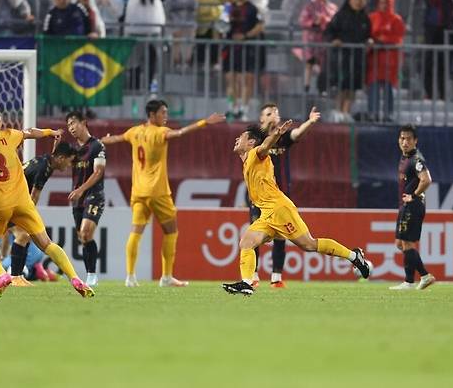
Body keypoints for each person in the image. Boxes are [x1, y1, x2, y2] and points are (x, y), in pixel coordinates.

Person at [0, 105, 93, 298]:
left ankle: (2, 275)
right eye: (0, 119)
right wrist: (51, 132)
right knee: (47, 243)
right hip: (22, 202)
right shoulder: (8, 135)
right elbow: (30, 132)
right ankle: (75, 278)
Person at [222, 122, 372, 295]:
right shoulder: (249, 161)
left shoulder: (256, 154)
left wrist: (277, 134)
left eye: (241, 137)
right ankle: (247, 283)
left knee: (309, 244)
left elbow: (265, 146)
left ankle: (354, 256)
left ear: (250, 143)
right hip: (267, 214)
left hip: (279, 209)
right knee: (246, 242)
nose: (236, 139)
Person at [101, 100, 225, 287]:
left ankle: (130, 277)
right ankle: (166, 277)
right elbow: (181, 133)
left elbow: (115, 139)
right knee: (171, 231)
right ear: (152, 115)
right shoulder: (159, 133)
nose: (166, 116)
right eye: (162, 113)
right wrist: (204, 122)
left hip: (139, 192)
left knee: (135, 231)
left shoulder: (134, 132)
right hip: (158, 192)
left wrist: (104, 140)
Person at [249, 104, 320, 288]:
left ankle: (276, 278)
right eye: (270, 113)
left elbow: (297, 134)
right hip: (261, 197)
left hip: (280, 197)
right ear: (262, 119)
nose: (275, 115)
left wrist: (310, 122)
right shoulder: (256, 140)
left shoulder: (282, 138)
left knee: (281, 236)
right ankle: (253, 275)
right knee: (255, 236)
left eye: (277, 112)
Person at [4, 141, 78, 287]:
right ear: (61, 158)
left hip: (10, 198)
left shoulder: (46, 161)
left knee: (24, 235)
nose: (68, 166)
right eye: (69, 162)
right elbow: (34, 195)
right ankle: (14, 276)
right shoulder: (44, 168)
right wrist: (29, 216)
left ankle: (17, 276)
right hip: (8, 200)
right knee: (23, 235)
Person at [389, 124, 435, 291]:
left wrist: (414, 195)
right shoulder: (405, 158)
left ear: (415, 141)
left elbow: (426, 179)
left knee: (406, 244)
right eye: (402, 138)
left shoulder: (416, 159)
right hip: (405, 206)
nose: (405, 142)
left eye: (408, 139)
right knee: (400, 244)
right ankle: (415, 279)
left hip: (412, 206)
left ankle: (419, 277)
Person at [66, 110, 106, 287]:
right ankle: (90, 272)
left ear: (84, 122)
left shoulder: (97, 146)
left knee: (85, 232)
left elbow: (98, 172)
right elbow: (58, 164)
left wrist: (81, 189)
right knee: (83, 238)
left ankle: (92, 275)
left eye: (73, 123)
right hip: (78, 199)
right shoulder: (73, 150)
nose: (71, 127)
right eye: (68, 125)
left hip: (94, 196)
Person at [325, 0, 371, 121]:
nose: (358, 2)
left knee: (353, 86)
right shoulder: (341, 15)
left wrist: (369, 40)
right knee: (342, 86)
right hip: (342, 57)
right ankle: (338, 112)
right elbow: (329, 31)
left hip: (358, 58)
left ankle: (346, 112)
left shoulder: (365, 18)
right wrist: (334, 40)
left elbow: (367, 35)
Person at [223, 0, 264, 121]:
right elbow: (221, 24)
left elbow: (260, 26)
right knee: (230, 79)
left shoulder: (253, 8)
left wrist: (245, 36)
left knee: (245, 79)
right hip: (230, 48)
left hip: (246, 48)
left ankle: (243, 108)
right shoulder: (228, 7)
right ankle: (232, 107)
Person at [366, 0, 405, 123]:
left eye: (386, 3)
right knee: (373, 88)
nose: (383, 5)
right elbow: (368, 34)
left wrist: (382, 40)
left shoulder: (396, 19)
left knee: (389, 89)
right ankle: (373, 113)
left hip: (390, 61)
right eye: (381, 2)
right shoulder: (372, 17)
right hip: (374, 60)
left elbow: (398, 38)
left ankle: (389, 115)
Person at [297, 0, 337, 95]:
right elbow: (302, 21)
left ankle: (322, 87)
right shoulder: (309, 7)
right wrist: (314, 22)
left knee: (323, 65)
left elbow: (335, 21)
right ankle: (306, 86)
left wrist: (326, 21)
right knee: (309, 63)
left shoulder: (332, 7)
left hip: (325, 39)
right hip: (311, 40)